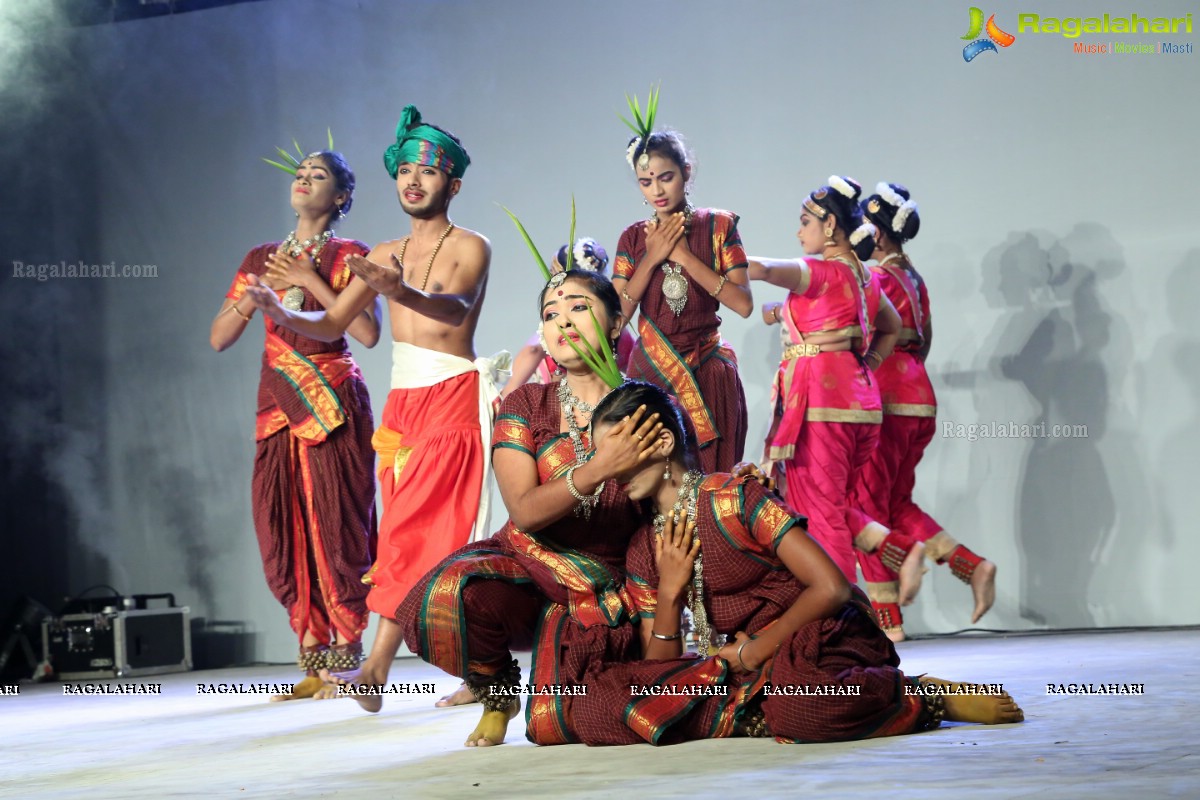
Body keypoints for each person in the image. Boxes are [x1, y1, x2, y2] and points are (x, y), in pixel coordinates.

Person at [568, 381, 1024, 746]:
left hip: (819, 638)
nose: (608, 468)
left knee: (802, 704)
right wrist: (669, 593)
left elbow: (831, 587)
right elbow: (658, 667)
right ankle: (759, 707)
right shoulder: (645, 546)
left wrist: (754, 651)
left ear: (662, 441)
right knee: (593, 704)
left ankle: (922, 695)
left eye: (617, 452)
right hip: (744, 664)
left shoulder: (736, 498)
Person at [244, 105, 503, 703]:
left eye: (429, 172)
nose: (414, 180)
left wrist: (401, 291)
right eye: (405, 169)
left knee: (429, 535)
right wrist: (276, 307)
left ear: (452, 185)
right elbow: (335, 319)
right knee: (406, 540)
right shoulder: (385, 251)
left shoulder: (471, 245)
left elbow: (456, 310)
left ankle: (383, 669)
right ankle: (465, 671)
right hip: (401, 407)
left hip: (451, 396)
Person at [396, 266, 660, 746]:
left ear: (617, 322)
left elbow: (676, 499)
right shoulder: (525, 404)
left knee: (560, 723)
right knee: (443, 595)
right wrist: (602, 465)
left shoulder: (645, 405)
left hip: (607, 585)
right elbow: (526, 511)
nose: (562, 322)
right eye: (550, 313)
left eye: (579, 307)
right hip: (529, 563)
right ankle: (497, 692)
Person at [210, 148, 382, 699]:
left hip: (331, 400)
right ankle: (312, 658)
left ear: (341, 198)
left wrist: (310, 277)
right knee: (283, 525)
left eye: (319, 176)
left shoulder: (352, 254)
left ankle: (347, 655)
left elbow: (366, 333)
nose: (304, 180)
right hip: (276, 403)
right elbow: (218, 337)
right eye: (301, 174)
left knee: (337, 524)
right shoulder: (260, 256)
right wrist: (252, 301)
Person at [748, 176, 925, 611]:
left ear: (830, 226)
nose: (799, 231)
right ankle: (896, 549)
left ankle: (842, 624)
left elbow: (765, 270)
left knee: (821, 516)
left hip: (821, 408)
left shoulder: (820, 271)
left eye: (805, 221)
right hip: (857, 404)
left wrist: (713, 252)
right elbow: (891, 328)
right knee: (820, 503)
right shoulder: (866, 277)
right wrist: (865, 365)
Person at [853, 183, 996, 638]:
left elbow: (862, 333)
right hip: (919, 394)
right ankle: (970, 566)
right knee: (896, 503)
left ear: (875, 233)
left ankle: (888, 621)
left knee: (865, 505)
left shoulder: (876, 277)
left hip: (887, 398)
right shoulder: (914, 279)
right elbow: (925, 340)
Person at [612, 92, 753, 473]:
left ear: (686, 172)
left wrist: (683, 257)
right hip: (652, 374)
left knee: (709, 484)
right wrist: (654, 256)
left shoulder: (719, 226)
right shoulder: (633, 239)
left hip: (708, 373)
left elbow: (744, 303)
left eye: (666, 178)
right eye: (646, 182)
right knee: (649, 485)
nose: (657, 191)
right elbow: (615, 318)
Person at [498, 239, 635, 399]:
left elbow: (533, 350)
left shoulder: (561, 324)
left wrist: (507, 394)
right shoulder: (617, 329)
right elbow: (632, 370)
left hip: (562, 407)